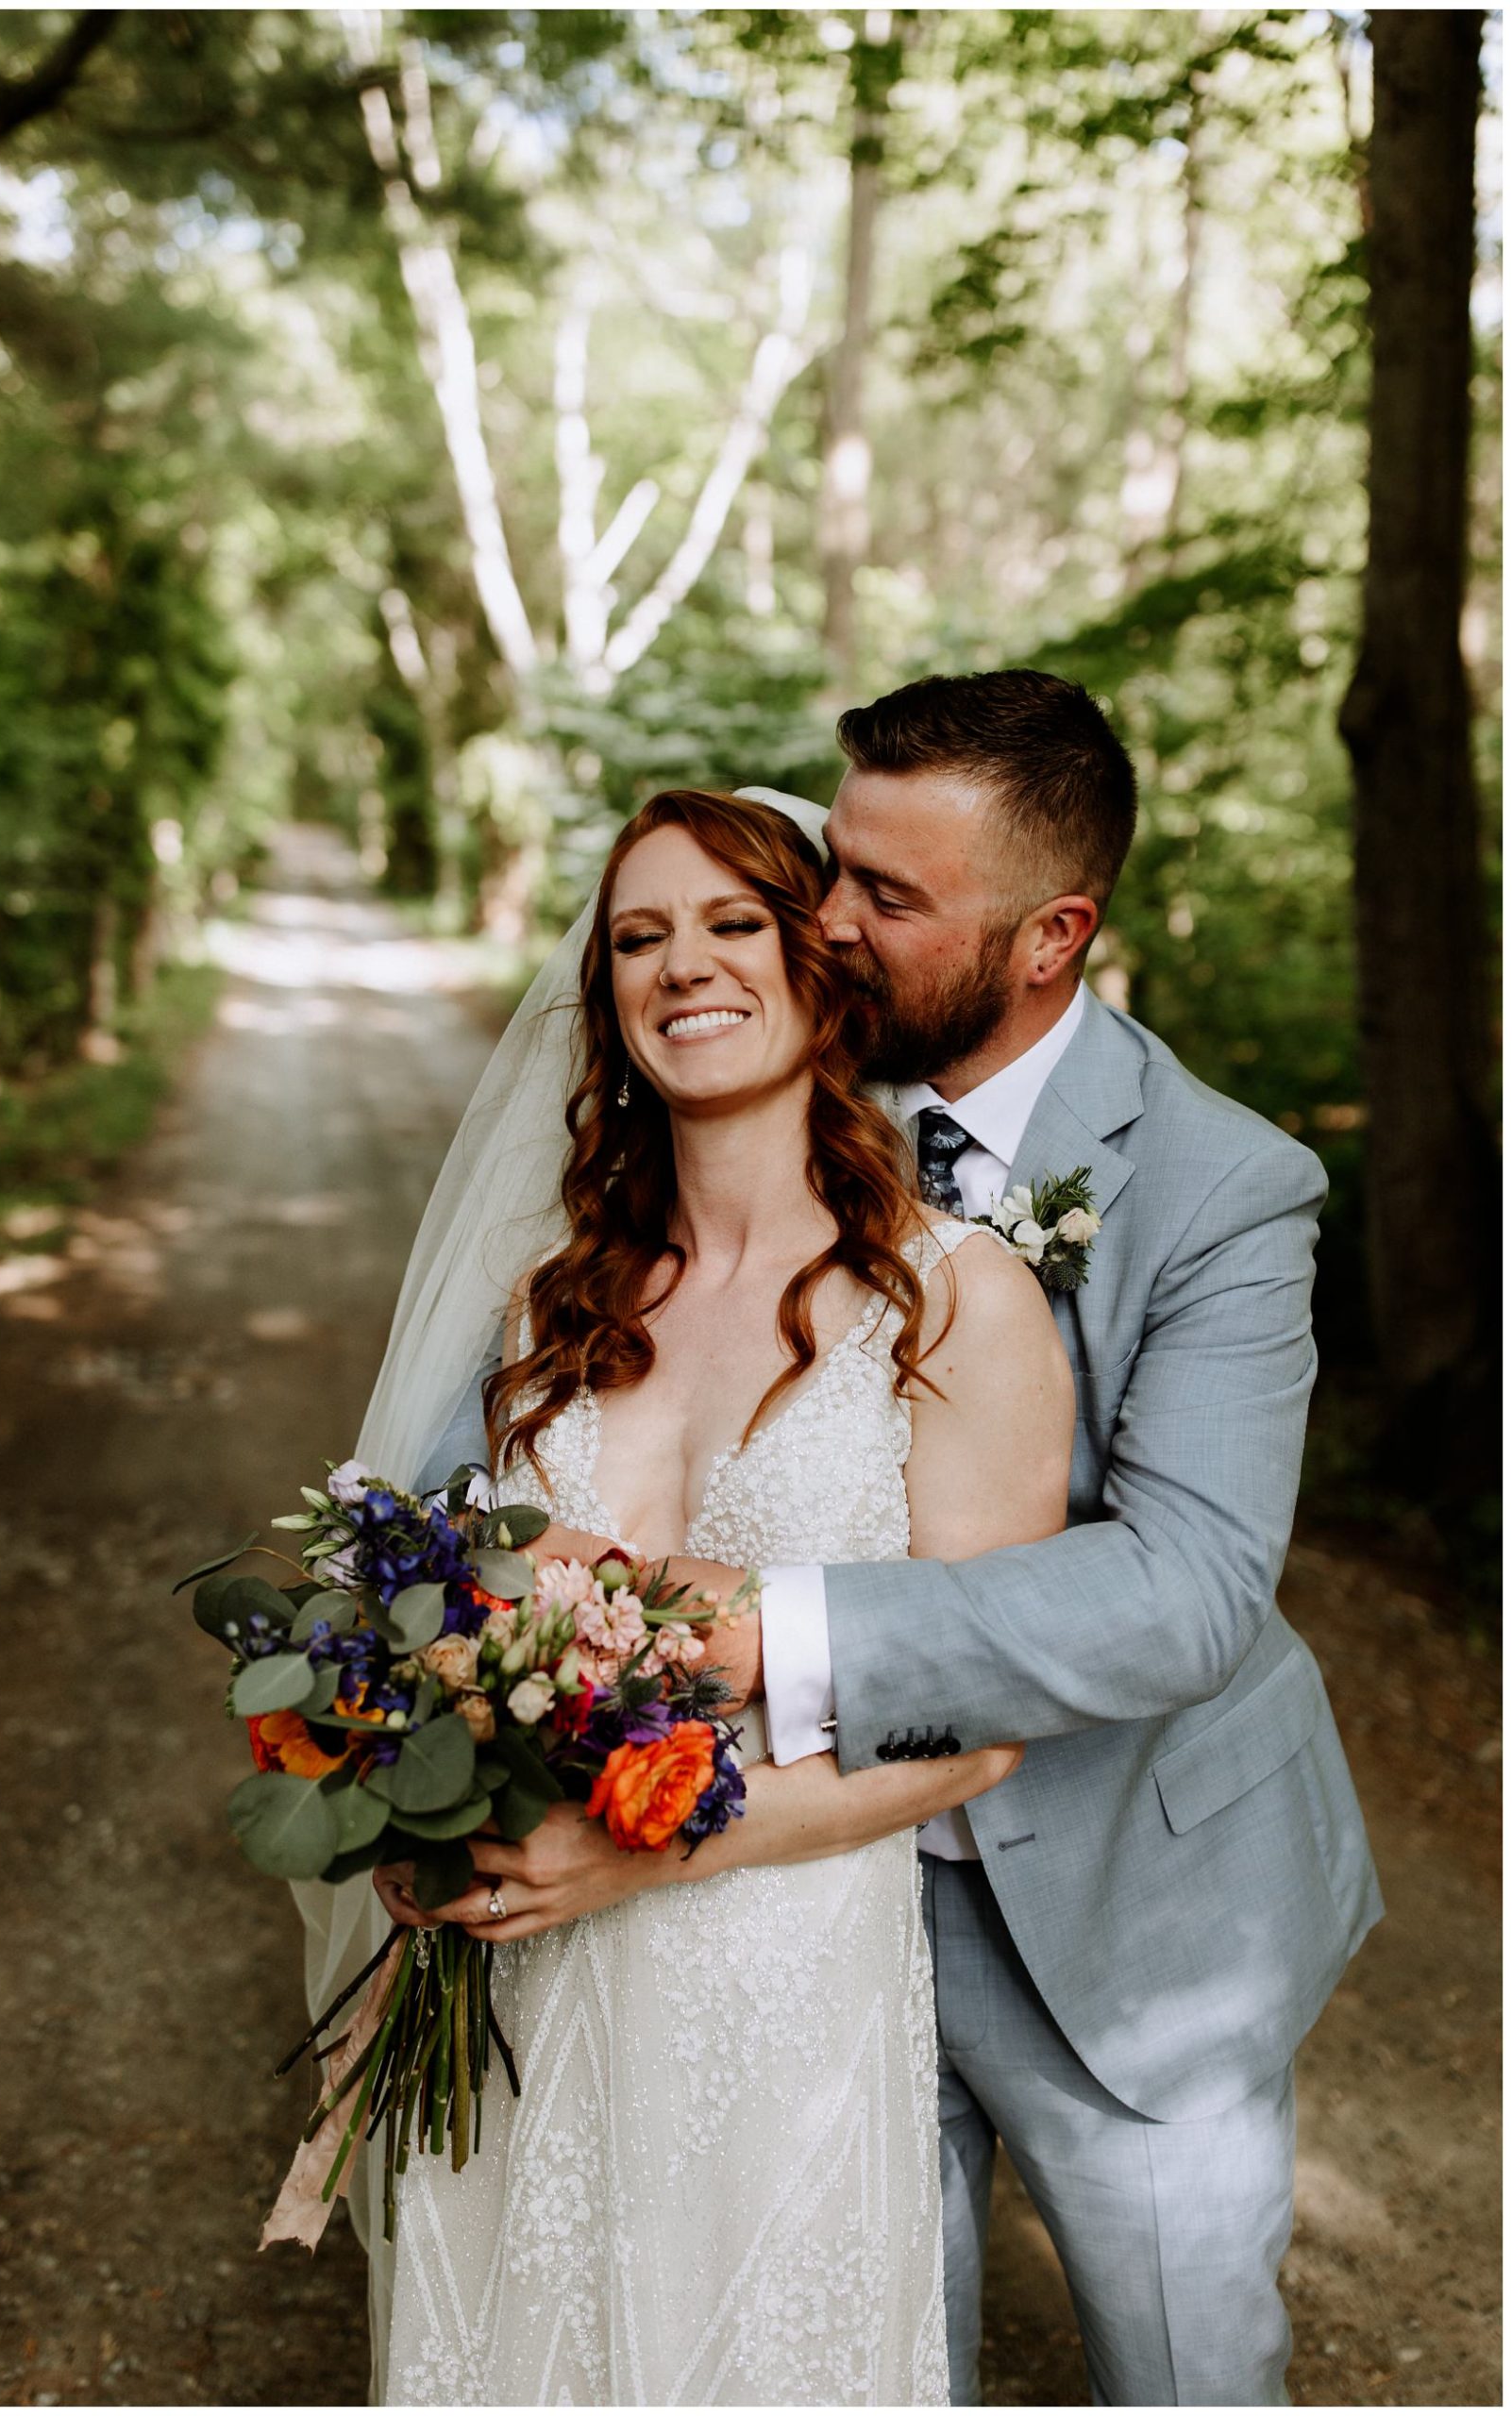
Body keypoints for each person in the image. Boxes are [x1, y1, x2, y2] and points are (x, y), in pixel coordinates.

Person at [424, 674, 1385, 2408]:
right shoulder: (763, 1058)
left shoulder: (1224, 1185)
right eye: (827, 874)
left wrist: (759, 1627)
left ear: (1047, 937)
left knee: (1181, 2366)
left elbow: (1185, 1594)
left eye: (879, 896)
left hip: (1119, 1897)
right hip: (781, 1903)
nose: (825, 924)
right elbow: (496, 1495)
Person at [368, 784, 1075, 2405]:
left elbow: (977, 1732)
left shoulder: (951, 1300)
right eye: (638, 937)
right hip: (524, 1972)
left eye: (730, 923)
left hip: (783, 1980)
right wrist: (413, 1791)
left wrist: (627, 1857)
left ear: (821, 965)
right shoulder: (546, 1300)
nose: (681, 964)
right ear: (606, 1001)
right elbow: (438, 1612)